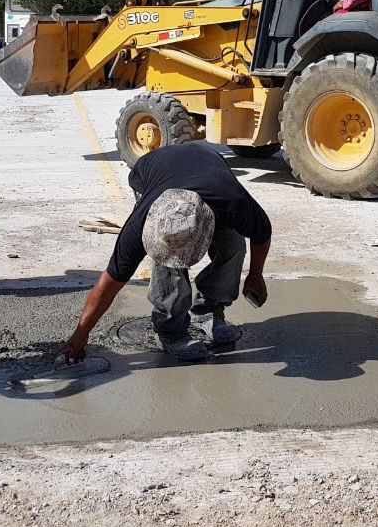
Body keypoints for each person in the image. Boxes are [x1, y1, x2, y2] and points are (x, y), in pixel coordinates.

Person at [58, 142, 272, 363]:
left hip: (208, 166)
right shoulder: (141, 224)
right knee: (168, 259)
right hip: (152, 171)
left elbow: (263, 234)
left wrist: (256, 274)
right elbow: (109, 282)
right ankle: (170, 329)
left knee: (233, 246)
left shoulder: (234, 203)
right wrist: (80, 335)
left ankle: (209, 311)